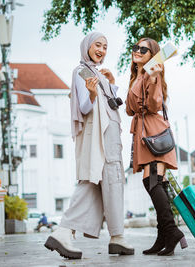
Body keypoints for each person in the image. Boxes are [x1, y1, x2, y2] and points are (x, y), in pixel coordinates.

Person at [44, 32, 134, 259]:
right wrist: (93, 94)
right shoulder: (81, 71)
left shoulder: (97, 73)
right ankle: (72, 231)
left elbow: (110, 104)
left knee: (100, 183)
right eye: (98, 44)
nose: (102, 50)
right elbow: (84, 107)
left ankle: (111, 236)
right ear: (87, 46)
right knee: (106, 179)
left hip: (108, 136)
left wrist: (110, 84)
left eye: (105, 46)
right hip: (100, 138)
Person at [125, 38, 188, 256]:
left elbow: (154, 105)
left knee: (151, 180)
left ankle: (171, 232)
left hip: (154, 134)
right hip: (144, 134)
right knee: (155, 182)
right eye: (136, 47)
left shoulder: (153, 75)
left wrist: (152, 78)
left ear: (153, 55)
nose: (137, 51)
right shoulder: (137, 77)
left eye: (144, 49)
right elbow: (129, 110)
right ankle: (165, 236)